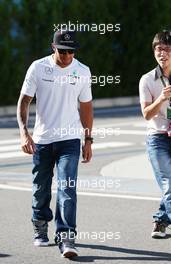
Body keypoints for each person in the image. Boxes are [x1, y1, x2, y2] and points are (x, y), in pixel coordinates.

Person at [17, 29, 93, 258]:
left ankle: (67, 237)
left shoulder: (82, 71)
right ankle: (40, 226)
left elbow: (86, 107)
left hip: (70, 140)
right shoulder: (38, 67)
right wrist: (23, 132)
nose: (68, 56)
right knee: (41, 189)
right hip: (42, 140)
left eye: (71, 51)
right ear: (53, 47)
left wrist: (88, 139)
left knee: (67, 188)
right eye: (63, 51)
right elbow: (24, 101)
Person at [139, 30, 171, 238]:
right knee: (169, 183)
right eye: (159, 49)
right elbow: (146, 114)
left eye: (168, 49)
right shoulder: (147, 80)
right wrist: (161, 98)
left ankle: (160, 220)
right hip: (157, 138)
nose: (163, 53)